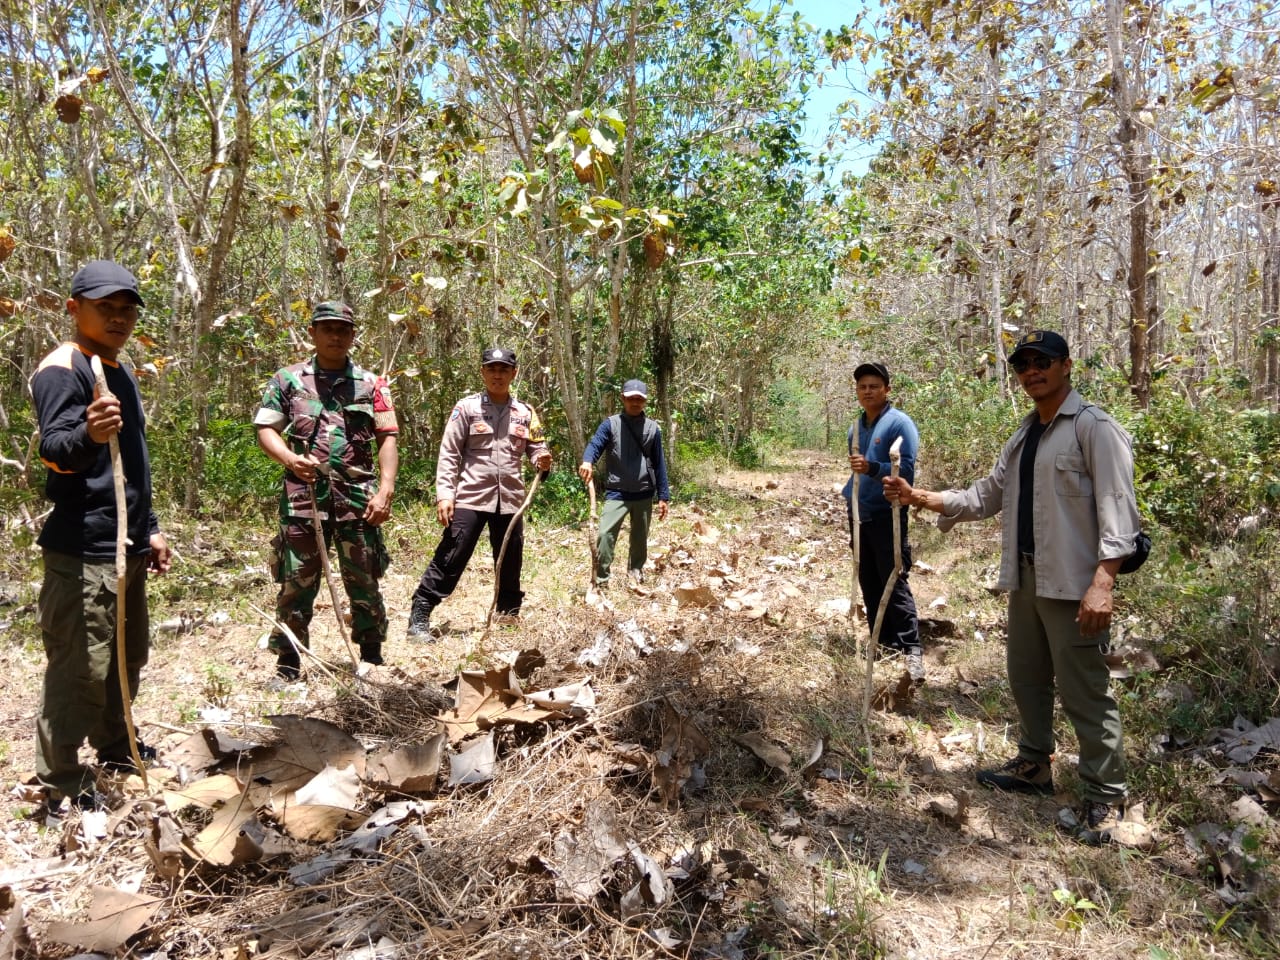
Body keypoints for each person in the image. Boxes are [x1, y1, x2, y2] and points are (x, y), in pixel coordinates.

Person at [883, 330, 1141, 843]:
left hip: (1073, 584)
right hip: (1025, 577)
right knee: (1027, 677)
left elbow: (1119, 510)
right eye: (1023, 364)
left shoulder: (1095, 429)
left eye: (1042, 361)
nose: (1032, 371)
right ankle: (1034, 766)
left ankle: (1106, 793)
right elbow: (986, 495)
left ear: (1066, 365)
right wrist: (920, 497)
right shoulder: (1024, 436)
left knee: (1084, 688)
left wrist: (1103, 584)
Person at [30, 260, 172, 809]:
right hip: (85, 545)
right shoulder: (63, 368)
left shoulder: (117, 366)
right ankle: (61, 777)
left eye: (125, 310)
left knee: (126, 654)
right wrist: (88, 432)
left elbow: (133, 463)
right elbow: (55, 450)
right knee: (80, 666)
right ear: (74, 308)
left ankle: (117, 746)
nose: (117, 319)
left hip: (126, 542)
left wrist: (150, 528)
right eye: (104, 308)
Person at [254, 301, 398, 677]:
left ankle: (371, 656)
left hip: (357, 500)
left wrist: (384, 491)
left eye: (343, 329)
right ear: (313, 333)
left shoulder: (372, 384)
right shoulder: (287, 380)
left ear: (352, 335)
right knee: (296, 580)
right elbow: (266, 429)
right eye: (327, 328)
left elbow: (387, 439)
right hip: (303, 501)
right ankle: (289, 660)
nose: (335, 336)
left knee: (364, 578)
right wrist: (289, 458)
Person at [407, 346, 552, 637]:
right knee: (452, 554)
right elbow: (449, 452)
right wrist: (445, 494)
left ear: (514, 373)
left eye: (504, 369)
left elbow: (537, 447)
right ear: (483, 371)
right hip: (471, 496)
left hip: (510, 499)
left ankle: (508, 614)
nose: (498, 375)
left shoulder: (525, 413)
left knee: (511, 558)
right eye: (492, 369)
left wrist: (541, 459)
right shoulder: (467, 408)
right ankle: (421, 611)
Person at [842, 362, 924, 681]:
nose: (867, 391)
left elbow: (905, 473)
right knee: (868, 579)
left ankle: (911, 648)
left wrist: (874, 469)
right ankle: (883, 641)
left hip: (887, 513)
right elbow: (855, 470)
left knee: (893, 577)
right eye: (862, 386)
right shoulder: (855, 427)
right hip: (859, 513)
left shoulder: (900, 424)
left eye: (874, 386)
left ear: (887, 389)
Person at [577, 379, 670, 587]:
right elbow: (595, 444)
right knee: (605, 534)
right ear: (623, 398)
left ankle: (635, 571)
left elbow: (659, 463)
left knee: (639, 539)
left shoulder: (653, 429)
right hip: (617, 492)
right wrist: (587, 461)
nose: (635, 403)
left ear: (645, 401)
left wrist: (663, 496)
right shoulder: (611, 424)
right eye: (630, 398)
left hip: (643, 492)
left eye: (639, 399)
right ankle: (601, 579)